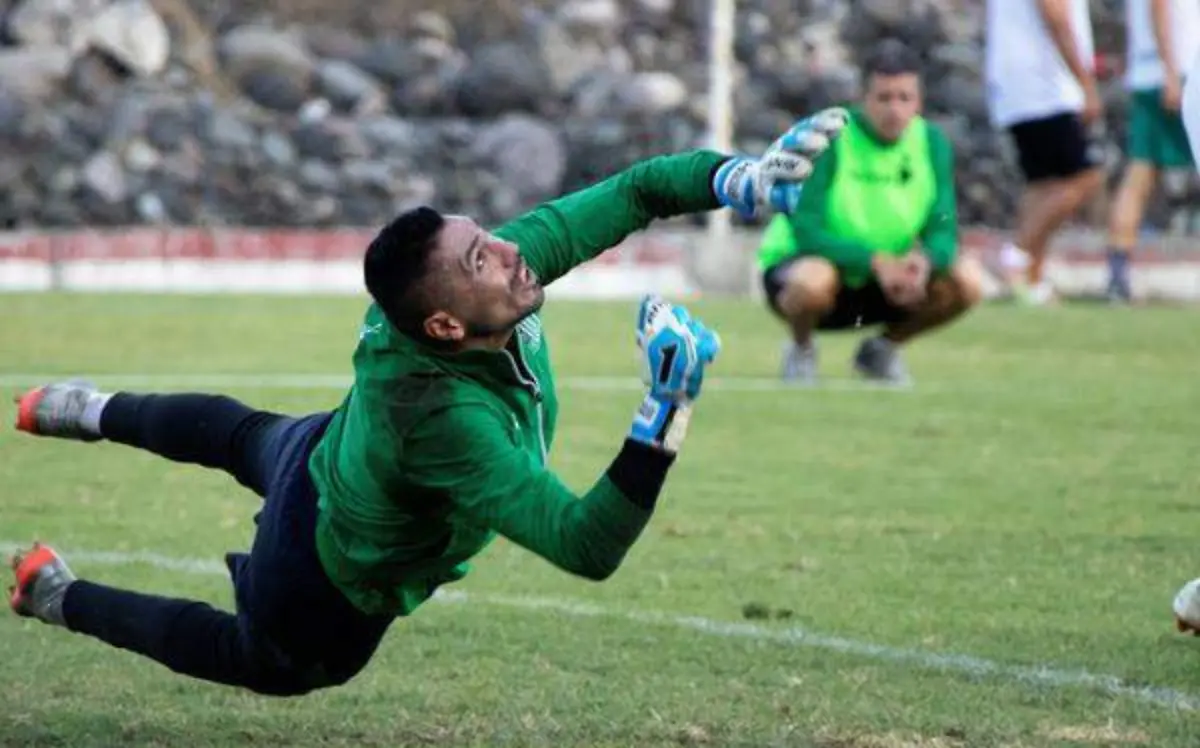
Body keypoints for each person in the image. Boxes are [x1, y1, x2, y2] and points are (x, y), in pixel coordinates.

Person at [7, 107, 850, 697]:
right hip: (323, 574)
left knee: (236, 434)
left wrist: (736, 178)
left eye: (489, 237)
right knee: (262, 660)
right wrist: (664, 413)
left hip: (330, 449)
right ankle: (56, 595)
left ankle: (80, 408)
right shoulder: (445, 424)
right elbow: (584, 544)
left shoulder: (484, 284)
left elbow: (635, 192)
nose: (516, 254)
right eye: (483, 258)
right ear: (446, 325)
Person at [756, 40, 982, 386]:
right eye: (884, 97)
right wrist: (876, 262)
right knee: (811, 280)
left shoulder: (931, 143)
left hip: (888, 281)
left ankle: (881, 351)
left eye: (905, 98)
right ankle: (801, 349)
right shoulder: (829, 139)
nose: (895, 109)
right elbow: (806, 230)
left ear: (919, 101)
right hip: (810, 273)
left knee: (968, 281)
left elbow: (943, 227)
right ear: (862, 99)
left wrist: (922, 263)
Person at [984, 0, 1106, 305]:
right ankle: (1017, 254)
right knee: (1085, 178)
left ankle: (1031, 282)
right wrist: (1086, 83)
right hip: (1044, 86)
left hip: (1017, 85)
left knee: (1044, 186)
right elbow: (1056, 16)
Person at [1105, 0, 1200, 303]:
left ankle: (1117, 277)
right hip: (1176, 73)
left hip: (1158, 71)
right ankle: (1117, 276)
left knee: (1140, 174)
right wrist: (1169, 70)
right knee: (1140, 175)